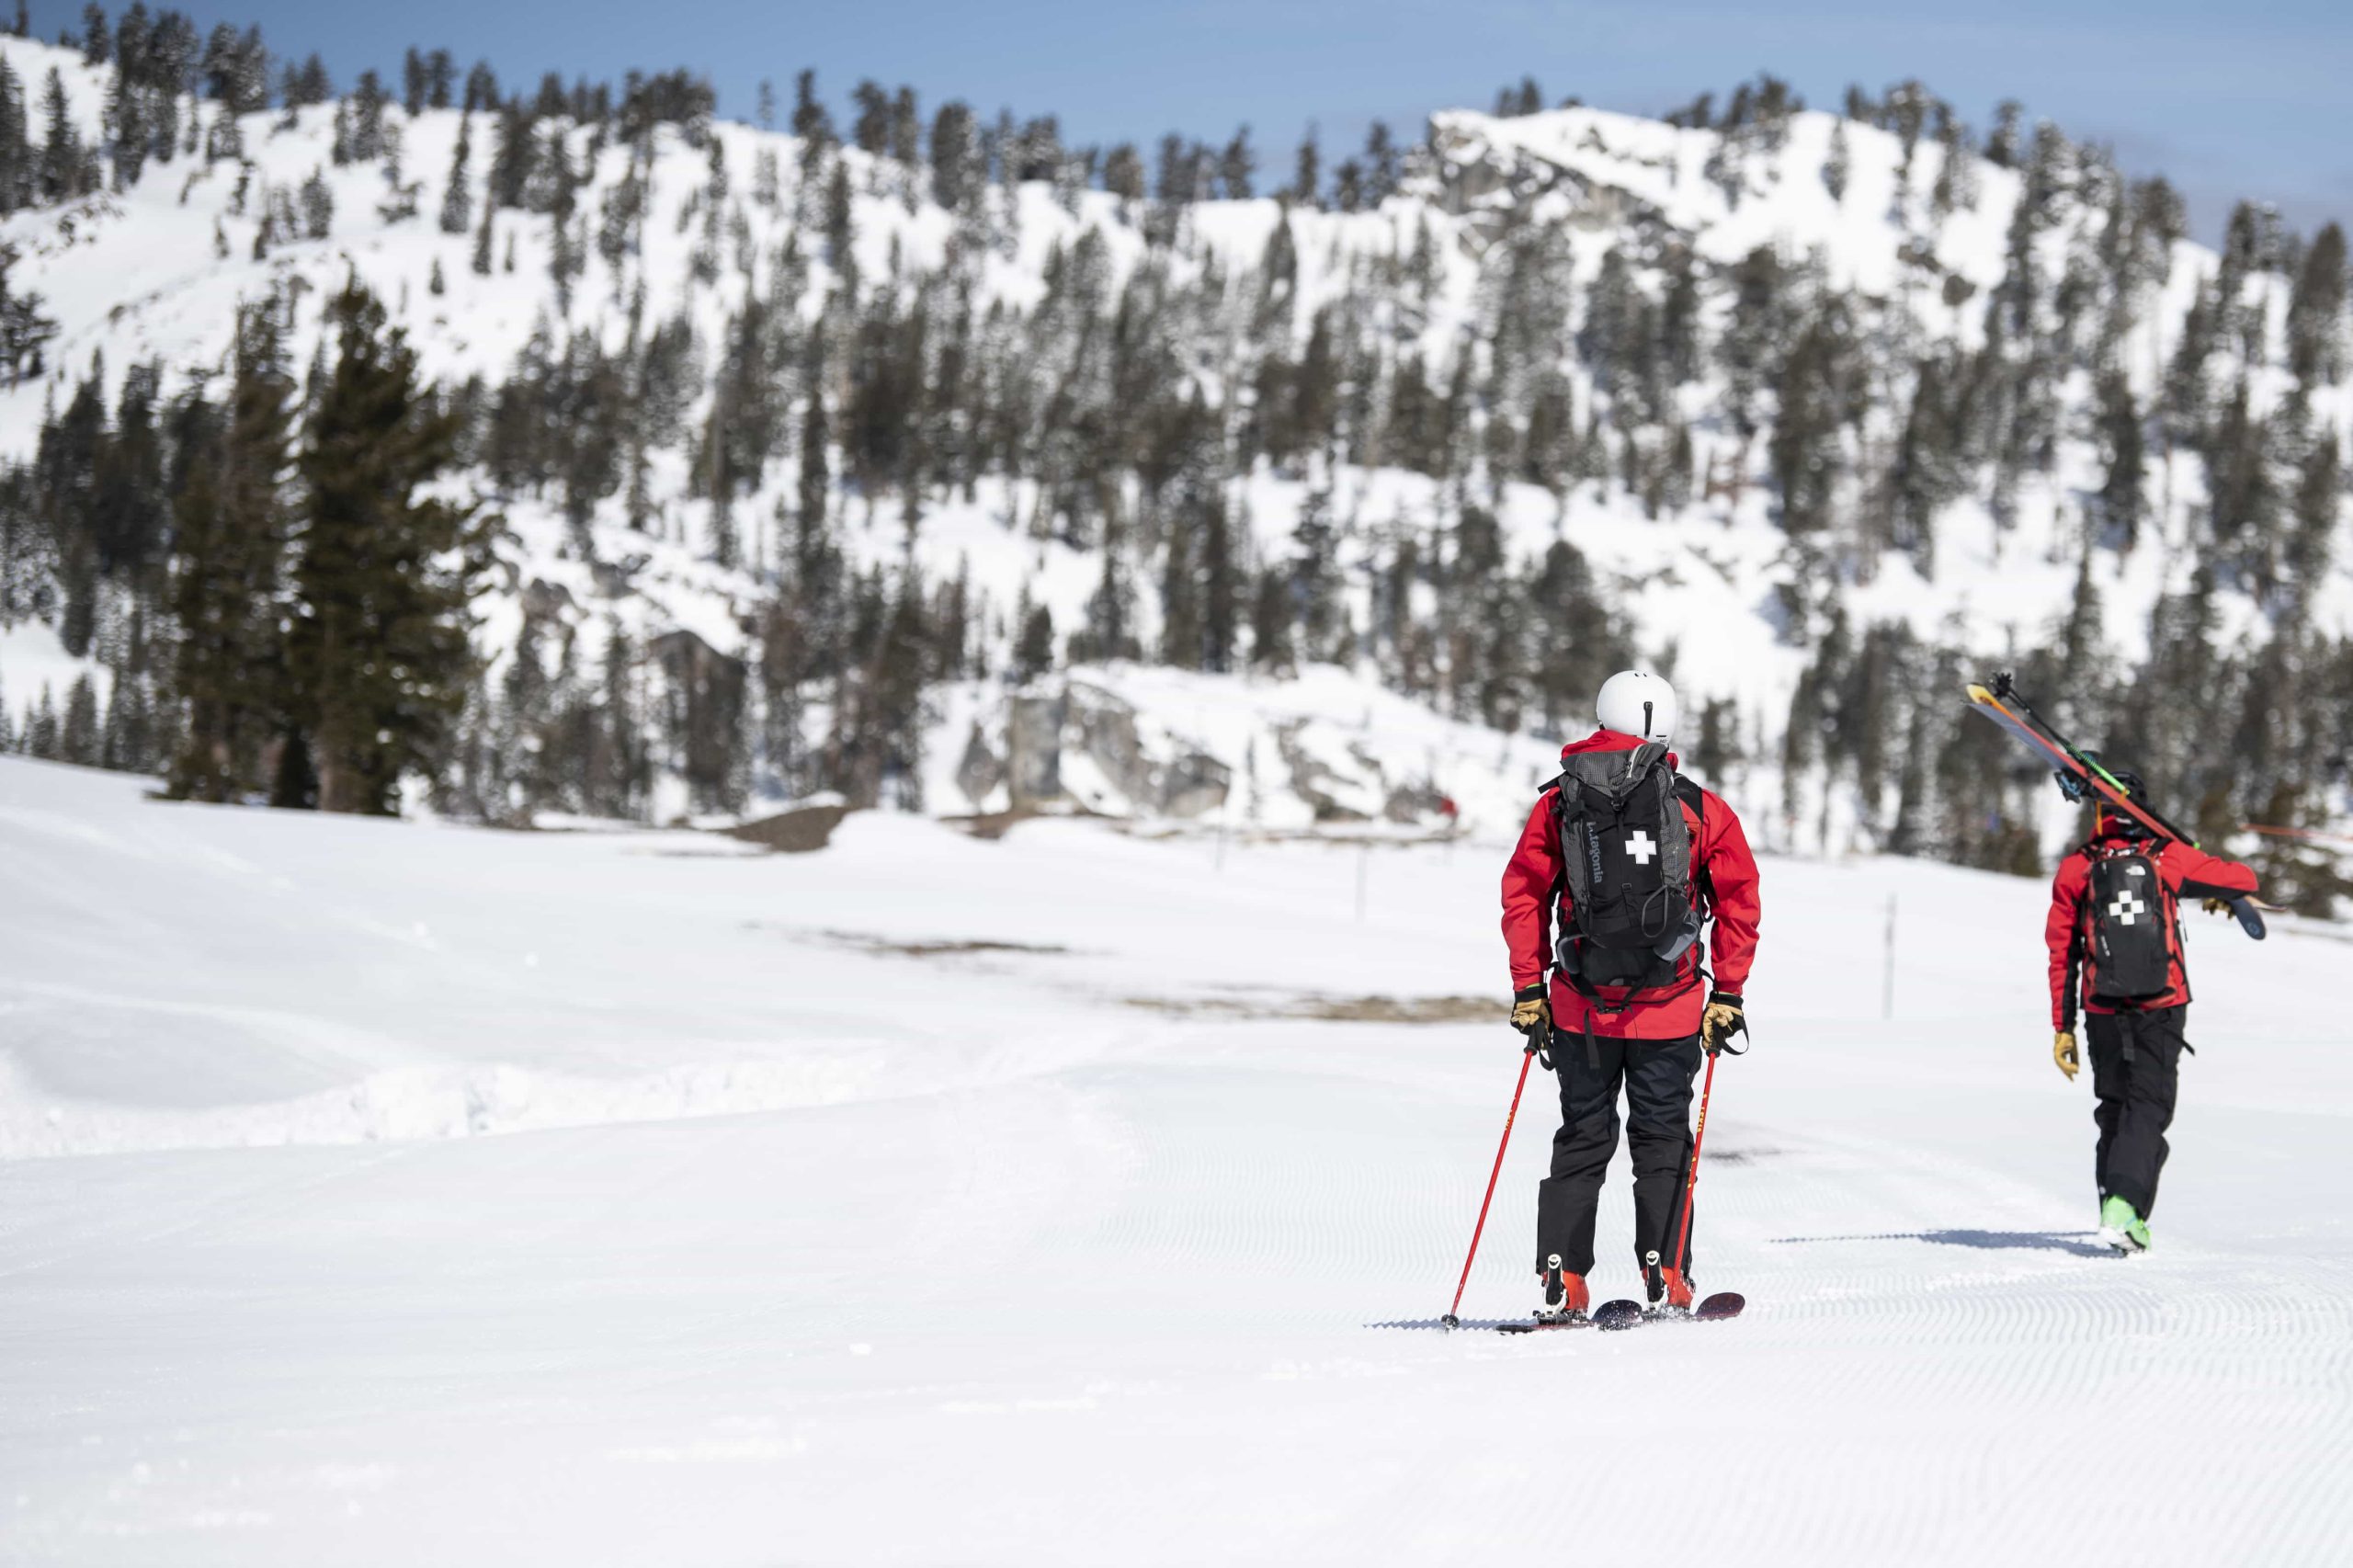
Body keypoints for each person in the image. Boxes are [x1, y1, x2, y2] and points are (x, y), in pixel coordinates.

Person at [1499, 670, 1761, 1322]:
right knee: (1664, 1141)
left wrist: (1528, 986)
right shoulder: (1699, 808)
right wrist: (1727, 992)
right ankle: (1667, 1274)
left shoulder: (1560, 803)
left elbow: (1524, 894)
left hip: (1578, 1008)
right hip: (1668, 1011)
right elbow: (1740, 901)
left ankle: (1563, 1282)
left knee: (1583, 1139)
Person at [2044, 770, 2258, 1254]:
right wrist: (2202, 875)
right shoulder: (2167, 858)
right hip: (2160, 1006)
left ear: (2099, 812)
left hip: (2101, 1009)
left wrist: (2063, 1027)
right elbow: (2244, 878)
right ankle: (2125, 1208)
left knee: (2115, 1109)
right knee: (2149, 1106)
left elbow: (2063, 953)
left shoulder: (2077, 868)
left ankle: (2113, 1206)